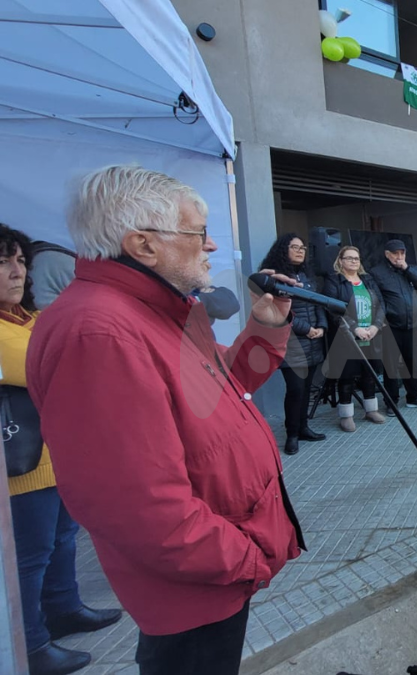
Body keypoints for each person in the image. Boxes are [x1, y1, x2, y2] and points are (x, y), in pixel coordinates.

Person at [28, 165, 304, 675]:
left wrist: (267, 328)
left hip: (216, 566)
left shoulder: (165, 310)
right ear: (142, 245)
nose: (212, 246)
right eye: (198, 233)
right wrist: (245, 559)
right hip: (200, 578)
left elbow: (233, 382)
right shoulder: (99, 333)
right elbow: (136, 506)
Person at [0, 224, 122, 675]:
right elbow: (43, 362)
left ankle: (64, 607)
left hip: (59, 458)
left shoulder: (29, 319)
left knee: (63, 540)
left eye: (20, 261)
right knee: (30, 556)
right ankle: (29, 644)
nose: (17, 272)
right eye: (4, 262)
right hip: (20, 468)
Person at [260, 234, 328, 454]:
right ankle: (292, 434)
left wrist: (321, 327)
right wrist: (306, 329)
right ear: (283, 249)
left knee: (307, 389)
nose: (300, 251)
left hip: (314, 340)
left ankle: (304, 427)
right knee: (296, 389)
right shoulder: (276, 278)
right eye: (295, 247)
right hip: (291, 343)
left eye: (303, 247)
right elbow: (280, 313)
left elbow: (318, 303)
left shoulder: (307, 276)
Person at [325, 246, 387, 431]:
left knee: (369, 374)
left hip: (371, 335)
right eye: (349, 258)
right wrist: (354, 328)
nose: (354, 261)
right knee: (347, 376)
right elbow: (332, 308)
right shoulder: (334, 281)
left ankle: (371, 410)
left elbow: (381, 304)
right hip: (346, 338)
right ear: (340, 260)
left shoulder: (367, 280)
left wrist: (376, 326)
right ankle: (346, 416)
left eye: (357, 258)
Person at [369, 239, 417, 410]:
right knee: (390, 366)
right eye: (395, 253)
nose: (399, 257)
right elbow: (375, 299)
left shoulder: (409, 269)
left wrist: (407, 268)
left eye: (402, 253)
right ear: (387, 254)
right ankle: (391, 402)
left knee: (411, 363)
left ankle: (414, 397)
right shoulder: (376, 272)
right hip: (390, 326)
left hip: (412, 325)